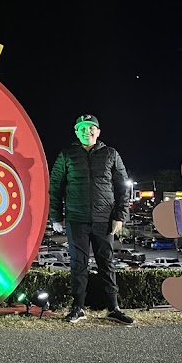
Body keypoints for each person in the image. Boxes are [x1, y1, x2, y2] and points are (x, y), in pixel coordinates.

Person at [48, 113, 135, 325]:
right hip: (76, 219)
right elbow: (55, 187)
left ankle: (113, 308)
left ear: (98, 132)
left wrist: (119, 216)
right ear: (76, 132)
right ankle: (78, 308)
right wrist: (56, 217)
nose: (87, 131)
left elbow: (123, 188)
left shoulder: (111, 154)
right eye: (83, 128)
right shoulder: (67, 154)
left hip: (104, 219)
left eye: (91, 128)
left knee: (107, 263)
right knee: (78, 265)